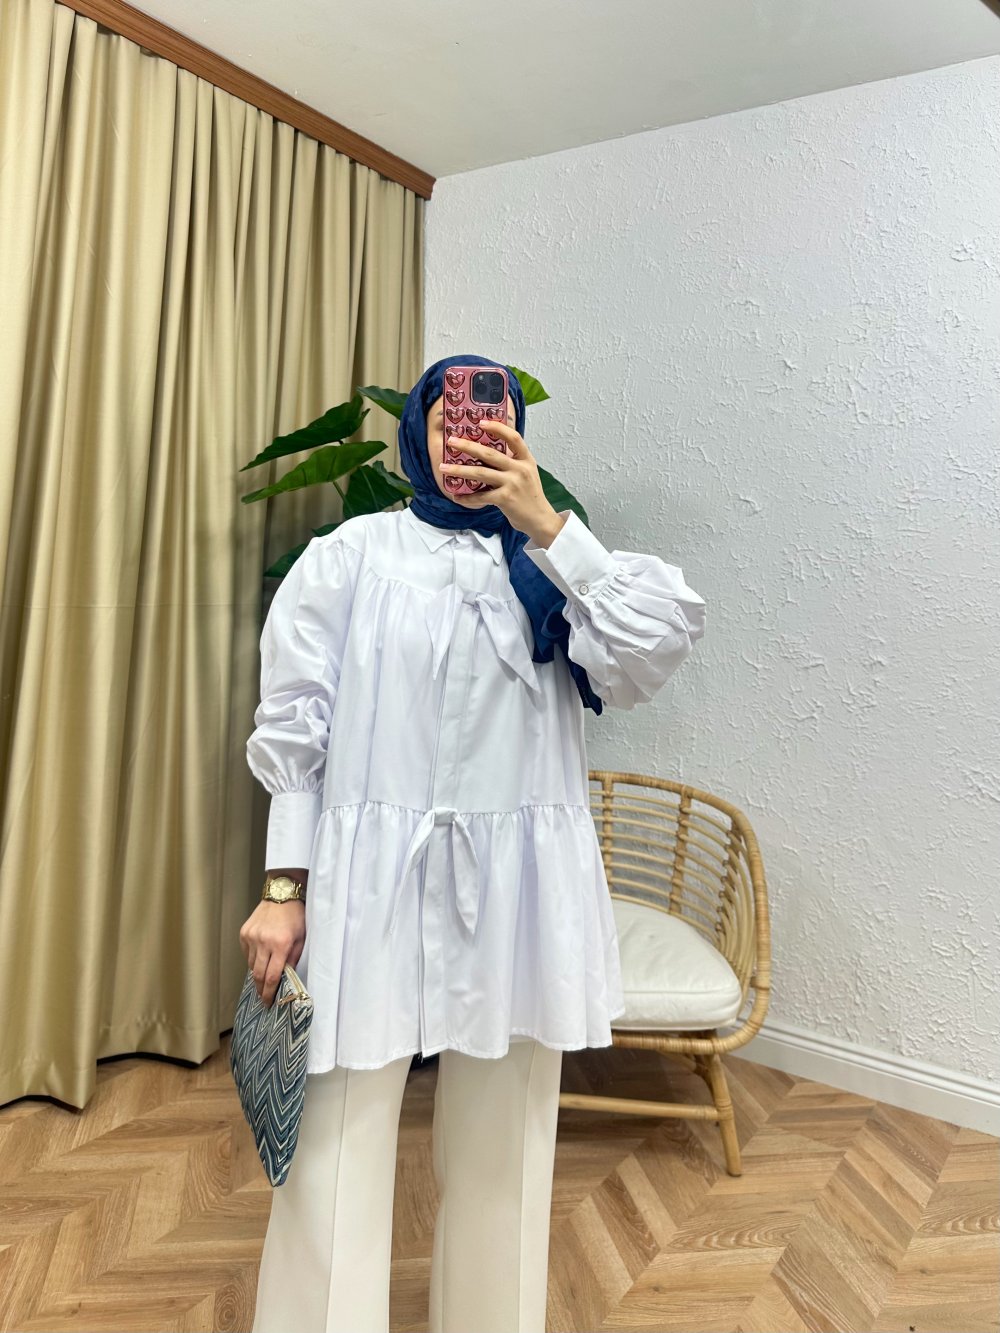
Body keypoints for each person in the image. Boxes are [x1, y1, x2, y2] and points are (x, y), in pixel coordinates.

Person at [239, 353, 707, 1333]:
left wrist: (550, 529)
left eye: (490, 423)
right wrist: (284, 890)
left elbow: (649, 655)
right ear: (418, 429)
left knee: (506, 1153)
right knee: (332, 1148)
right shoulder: (351, 556)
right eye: (447, 420)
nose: (467, 439)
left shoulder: (555, 565)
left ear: (516, 435)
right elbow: (295, 733)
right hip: (367, 886)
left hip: (520, 891)